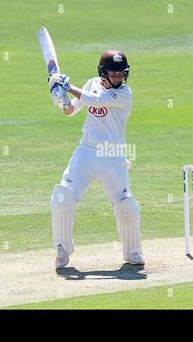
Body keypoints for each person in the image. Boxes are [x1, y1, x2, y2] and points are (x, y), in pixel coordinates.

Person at [48, 50, 144, 268]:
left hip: (112, 155)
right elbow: (72, 110)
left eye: (121, 74)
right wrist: (61, 100)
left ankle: (133, 253)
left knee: (125, 206)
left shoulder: (125, 94)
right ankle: (62, 250)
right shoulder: (91, 84)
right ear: (103, 73)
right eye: (114, 73)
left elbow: (96, 100)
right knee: (63, 198)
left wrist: (67, 86)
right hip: (87, 151)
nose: (118, 78)